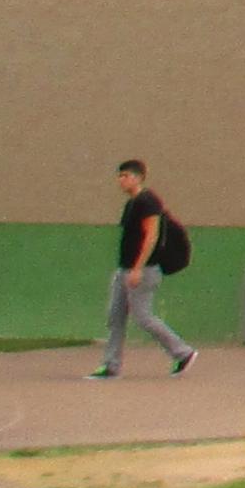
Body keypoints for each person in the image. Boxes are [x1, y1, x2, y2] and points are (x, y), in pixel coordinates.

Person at [92, 159, 194, 379]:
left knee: (143, 317)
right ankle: (110, 365)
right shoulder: (131, 203)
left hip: (144, 269)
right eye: (119, 176)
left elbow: (151, 235)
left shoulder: (148, 201)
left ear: (138, 177)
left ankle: (182, 352)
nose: (121, 180)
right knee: (115, 316)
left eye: (126, 176)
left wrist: (138, 268)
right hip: (124, 268)